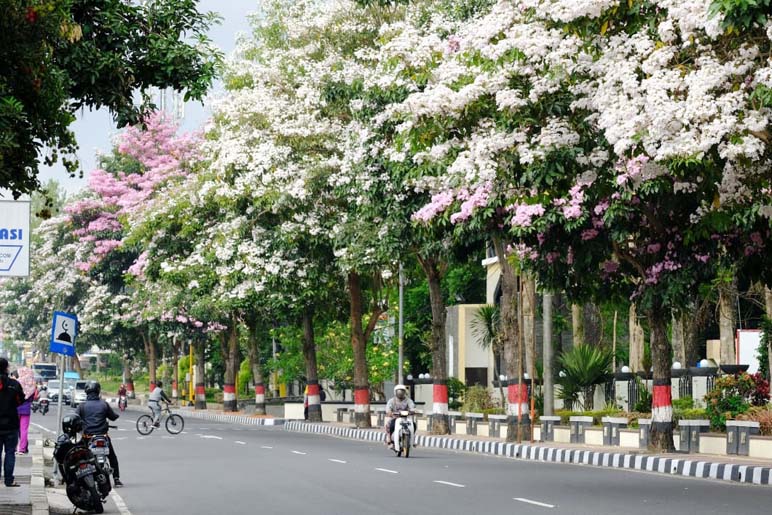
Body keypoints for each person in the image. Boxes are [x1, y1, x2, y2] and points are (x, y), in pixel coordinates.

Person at [76, 381, 122, 487]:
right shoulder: (104, 404)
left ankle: (80, 479)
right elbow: (113, 417)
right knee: (112, 457)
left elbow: (75, 418)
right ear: (98, 391)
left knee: (79, 456)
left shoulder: (82, 406)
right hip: (103, 437)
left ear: (86, 391)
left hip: (87, 437)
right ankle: (116, 479)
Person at [0, 358, 24, 487]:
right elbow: (21, 400)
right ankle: (9, 480)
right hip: (11, 424)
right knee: (10, 453)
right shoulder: (14, 384)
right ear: (6, 368)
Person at [384, 384, 415, 448]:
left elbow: (412, 407)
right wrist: (389, 412)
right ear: (395, 392)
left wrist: (413, 411)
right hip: (395, 418)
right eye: (398, 391)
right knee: (390, 425)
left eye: (402, 391)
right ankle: (389, 438)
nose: (400, 393)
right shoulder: (392, 401)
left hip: (406, 418)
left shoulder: (408, 400)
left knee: (414, 425)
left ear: (405, 392)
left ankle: (411, 438)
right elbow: (388, 408)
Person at [16, 385, 35, 455]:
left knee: (15, 429)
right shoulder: (31, 386)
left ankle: (14, 448)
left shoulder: (17, 383)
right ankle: (22, 449)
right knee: (24, 430)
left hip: (16, 409)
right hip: (26, 409)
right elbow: (33, 397)